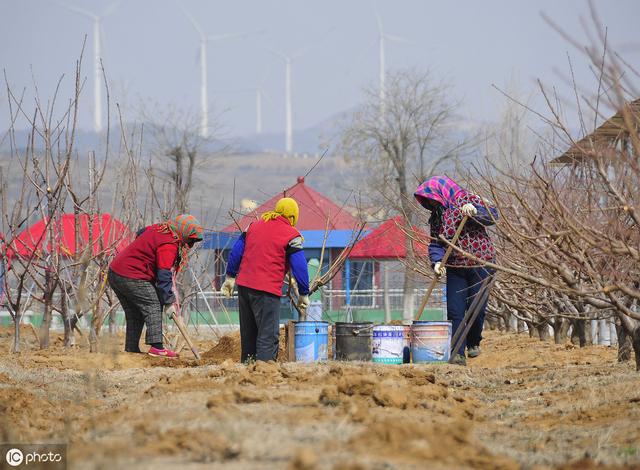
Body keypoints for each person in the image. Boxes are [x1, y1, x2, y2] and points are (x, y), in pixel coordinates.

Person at [414, 176, 498, 365]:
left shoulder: (467, 198)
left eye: (431, 198)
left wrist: (476, 211)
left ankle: (473, 342)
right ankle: (457, 354)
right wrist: (436, 261)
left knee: (477, 309)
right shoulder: (436, 215)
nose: (430, 203)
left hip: (481, 263)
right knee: (455, 311)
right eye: (427, 201)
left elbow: (493, 216)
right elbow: (436, 242)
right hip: (455, 267)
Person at [220, 197, 310, 363]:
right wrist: (304, 293)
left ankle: (247, 369)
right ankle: (263, 373)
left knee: (249, 334)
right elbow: (300, 266)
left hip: (244, 287)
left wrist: (230, 277)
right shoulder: (291, 234)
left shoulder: (253, 226)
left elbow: (236, 251)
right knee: (267, 335)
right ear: (292, 217)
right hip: (266, 291)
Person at [108, 214, 203, 358]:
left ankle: (131, 349)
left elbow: (140, 232)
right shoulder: (169, 244)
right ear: (183, 233)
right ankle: (157, 348)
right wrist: (168, 302)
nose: (190, 244)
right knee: (153, 304)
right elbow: (163, 276)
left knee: (135, 313)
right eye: (190, 239)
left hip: (116, 271)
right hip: (131, 274)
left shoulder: (160, 228)